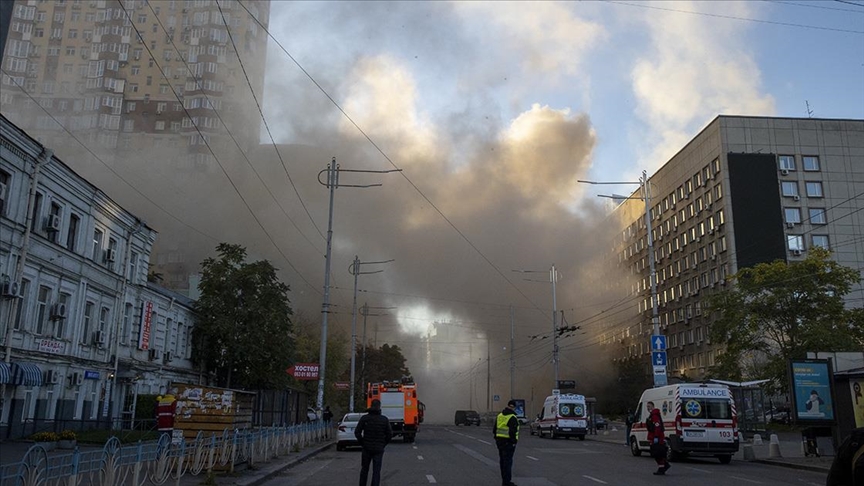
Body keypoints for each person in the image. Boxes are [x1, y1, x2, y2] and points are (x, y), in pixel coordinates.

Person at [355, 399, 392, 486]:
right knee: (376, 471)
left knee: (364, 469)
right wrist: (383, 444)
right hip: (378, 448)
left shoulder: (365, 418)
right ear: (379, 407)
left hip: (366, 448)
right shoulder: (384, 419)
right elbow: (389, 434)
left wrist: (362, 443)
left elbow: (357, 432)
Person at [493, 399, 520, 486]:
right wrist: (513, 442)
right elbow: (513, 432)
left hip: (500, 442)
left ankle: (504, 481)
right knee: (508, 462)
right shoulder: (512, 417)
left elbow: (494, 430)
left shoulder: (500, 415)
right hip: (508, 443)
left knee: (502, 462)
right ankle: (507, 482)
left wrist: (497, 439)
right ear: (514, 407)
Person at [646, 407, 671, 475]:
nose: (648, 408)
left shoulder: (654, 416)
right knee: (657, 454)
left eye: (649, 406)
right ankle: (664, 466)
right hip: (654, 437)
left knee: (657, 454)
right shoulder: (653, 415)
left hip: (657, 437)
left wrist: (656, 436)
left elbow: (657, 426)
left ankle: (662, 467)